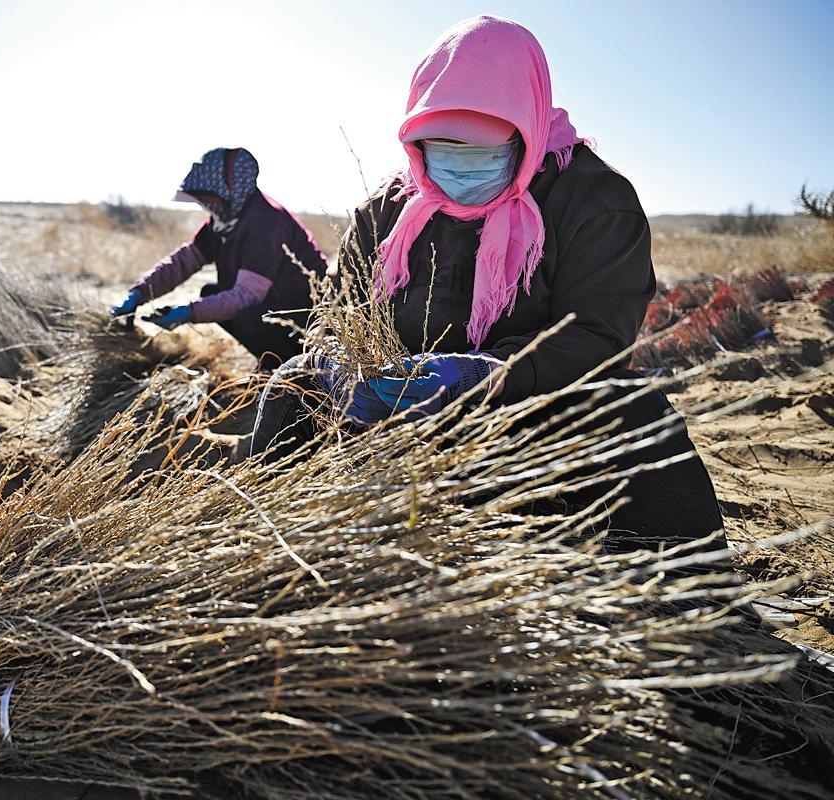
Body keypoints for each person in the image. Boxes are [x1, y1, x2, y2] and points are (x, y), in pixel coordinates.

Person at [251, 15, 727, 558]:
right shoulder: (388, 209)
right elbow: (338, 313)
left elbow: (599, 334)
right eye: (440, 146)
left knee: (633, 412)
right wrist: (341, 365)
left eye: (481, 149)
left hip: (527, 413)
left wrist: (483, 375)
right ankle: (279, 550)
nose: (457, 163)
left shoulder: (594, 201)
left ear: (525, 127)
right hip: (399, 416)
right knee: (295, 384)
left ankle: (689, 597)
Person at [110, 147, 329, 371]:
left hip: (310, 314)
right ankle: (272, 361)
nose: (205, 207)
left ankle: (289, 367)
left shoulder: (265, 223)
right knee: (211, 293)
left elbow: (247, 295)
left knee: (249, 317)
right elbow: (185, 260)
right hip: (276, 302)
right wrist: (140, 292)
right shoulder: (226, 220)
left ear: (227, 195)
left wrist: (188, 312)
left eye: (209, 201)